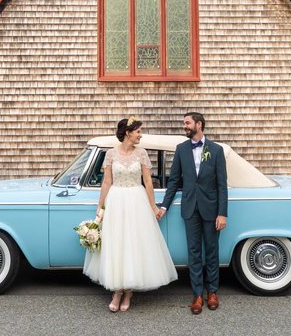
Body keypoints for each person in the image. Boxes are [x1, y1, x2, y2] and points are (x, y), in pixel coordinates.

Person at [83, 117, 176, 312]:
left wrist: (153, 208)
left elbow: (148, 182)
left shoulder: (141, 153)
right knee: (117, 243)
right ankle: (117, 290)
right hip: (116, 200)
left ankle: (128, 291)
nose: (140, 135)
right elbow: (106, 182)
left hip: (136, 200)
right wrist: (100, 209)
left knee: (133, 244)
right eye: (138, 131)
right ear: (128, 133)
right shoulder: (110, 154)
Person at [157, 111, 228, 315]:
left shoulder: (216, 150)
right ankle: (197, 294)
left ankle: (212, 292)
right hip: (190, 209)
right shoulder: (181, 149)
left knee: (212, 252)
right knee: (194, 252)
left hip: (212, 209)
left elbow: (222, 185)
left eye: (187, 123)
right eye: (184, 123)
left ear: (199, 124)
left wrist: (222, 213)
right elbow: (174, 181)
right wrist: (164, 206)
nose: (185, 126)